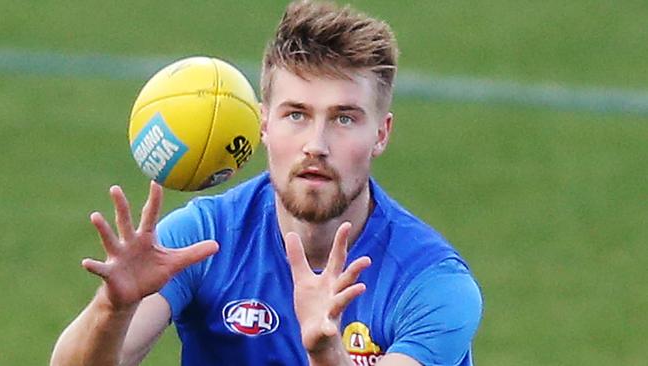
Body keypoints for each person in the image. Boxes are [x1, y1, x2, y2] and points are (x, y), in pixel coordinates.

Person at [50, 1, 482, 365]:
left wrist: (327, 354)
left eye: (344, 118)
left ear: (381, 134)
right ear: (263, 125)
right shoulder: (202, 240)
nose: (316, 144)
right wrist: (114, 308)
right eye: (296, 114)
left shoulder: (432, 284)